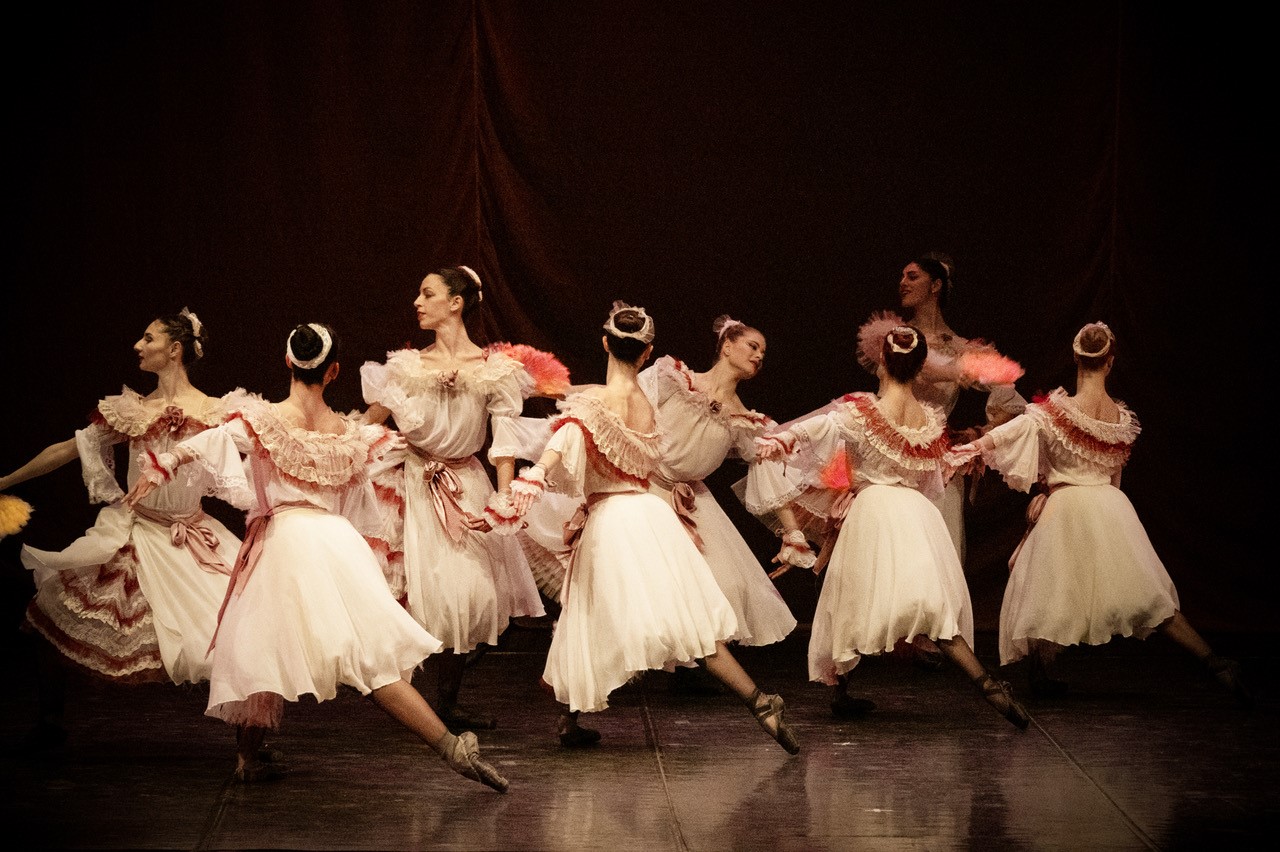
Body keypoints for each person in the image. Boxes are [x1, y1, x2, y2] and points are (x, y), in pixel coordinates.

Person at [123, 323, 508, 791]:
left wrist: (163, 465)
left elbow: (210, 441)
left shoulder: (265, 420)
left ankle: (248, 756)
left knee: (261, 649)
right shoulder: (348, 433)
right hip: (336, 544)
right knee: (370, 660)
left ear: (288, 362)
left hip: (286, 539)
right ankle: (450, 747)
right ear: (334, 372)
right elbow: (385, 465)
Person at [503, 302, 800, 754]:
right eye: (752, 345)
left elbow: (570, 434)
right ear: (646, 353)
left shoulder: (605, 402)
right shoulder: (652, 396)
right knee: (682, 616)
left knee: (590, 609)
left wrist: (534, 475)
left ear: (606, 344)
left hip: (618, 517)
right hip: (651, 512)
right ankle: (759, 700)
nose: (759, 355)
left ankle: (571, 712)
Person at [947, 322, 1250, 704]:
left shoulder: (1056, 412)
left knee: (1045, 587)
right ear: (1109, 361)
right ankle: (1214, 661)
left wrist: (967, 450)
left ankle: (1039, 671)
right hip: (1109, 505)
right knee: (1148, 594)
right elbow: (1114, 477)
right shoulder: (1120, 419)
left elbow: (1009, 433)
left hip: (1067, 507)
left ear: (1076, 358)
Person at [751, 323, 1031, 731]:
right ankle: (988, 684)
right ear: (919, 369)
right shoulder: (929, 420)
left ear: (883, 361)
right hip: (916, 514)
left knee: (853, 599)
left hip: (874, 511)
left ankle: (841, 689)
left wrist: (779, 442)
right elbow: (931, 480)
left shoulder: (862, 410)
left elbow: (816, 431)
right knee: (931, 606)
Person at [0, 309, 240, 750]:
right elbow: (67, 449)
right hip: (136, 530)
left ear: (174, 350)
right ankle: (50, 722)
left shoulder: (216, 412)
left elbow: (262, 455)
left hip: (190, 535)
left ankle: (251, 747)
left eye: (148, 338)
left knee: (238, 629)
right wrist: (5, 481)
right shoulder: (133, 411)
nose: (137, 346)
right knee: (52, 607)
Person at [360, 265, 547, 732]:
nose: (417, 303)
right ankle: (409, 699)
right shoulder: (406, 367)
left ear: (456, 303)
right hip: (414, 482)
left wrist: (502, 502)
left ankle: (445, 700)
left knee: (472, 598)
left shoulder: (493, 370)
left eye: (428, 294)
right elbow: (370, 421)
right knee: (421, 597)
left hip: (466, 485)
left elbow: (504, 442)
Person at [859, 252, 1026, 669]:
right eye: (901, 275)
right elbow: (908, 379)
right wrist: (956, 371)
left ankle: (934, 632)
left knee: (941, 543)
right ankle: (886, 629)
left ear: (935, 286)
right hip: (893, 453)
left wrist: (980, 433)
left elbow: (1011, 400)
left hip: (936, 456)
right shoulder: (895, 338)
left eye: (912, 276)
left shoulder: (964, 349)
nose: (902, 281)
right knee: (891, 542)